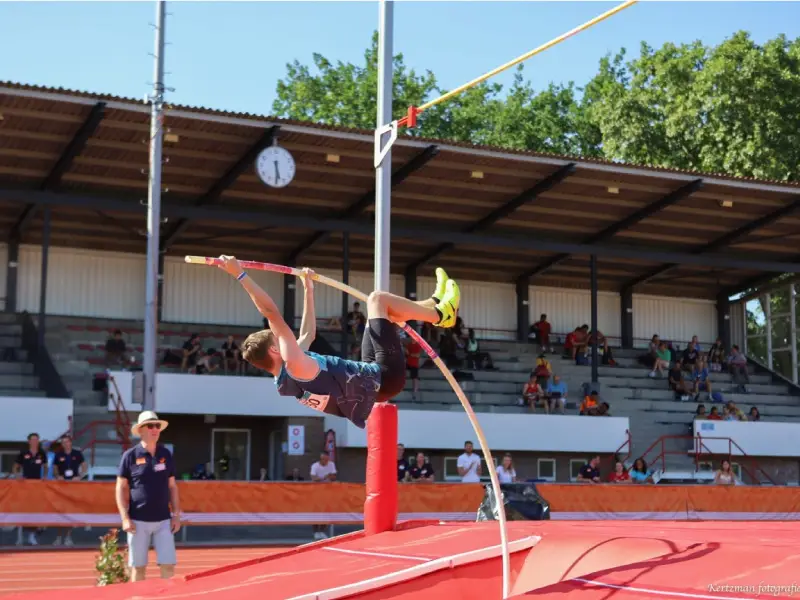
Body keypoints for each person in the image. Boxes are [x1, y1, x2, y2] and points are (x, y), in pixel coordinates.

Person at [218, 256, 461, 428]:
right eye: (277, 338)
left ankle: (433, 303)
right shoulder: (293, 362)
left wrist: (308, 290)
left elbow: (308, 334)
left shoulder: (290, 372)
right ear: (274, 348)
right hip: (385, 378)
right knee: (377, 300)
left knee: (384, 314)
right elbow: (270, 311)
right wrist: (240, 274)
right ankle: (442, 315)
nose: (284, 337)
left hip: (371, 377)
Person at [116, 411, 181, 582]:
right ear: (141, 430)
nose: (155, 429)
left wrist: (176, 515)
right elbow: (120, 488)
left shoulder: (165, 454)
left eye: (157, 426)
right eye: (151, 426)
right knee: (138, 569)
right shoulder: (129, 456)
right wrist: (124, 518)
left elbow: (173, 486)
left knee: (168, 567)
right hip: (138, 521)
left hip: (164, 520)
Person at [13, 432, 47, 545]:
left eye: (36, 440)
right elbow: (15, 467)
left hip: (37, 485)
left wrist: (45, 477)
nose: (34, 442)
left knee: (35, 510)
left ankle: (32, 536)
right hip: (25, 485)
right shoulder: (23, 453)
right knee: (23, 510)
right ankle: (19, 537)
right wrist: (18, 476)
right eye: (32, 440)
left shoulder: (42, 453)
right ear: (29, 441)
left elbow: (46, 466)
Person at [53, 435, 86, 546]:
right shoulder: (58, 454)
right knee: (60, 511)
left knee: (70, 511)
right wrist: (58, 476)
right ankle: (58, 537)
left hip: (73, 486)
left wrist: (80, 476)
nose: (66, 444)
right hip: (61, 486)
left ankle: (68, 537)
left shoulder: (77, 453)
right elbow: (55, 468)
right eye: (63, 442)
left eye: (67, 442)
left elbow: (84, 466)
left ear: (71, 442)